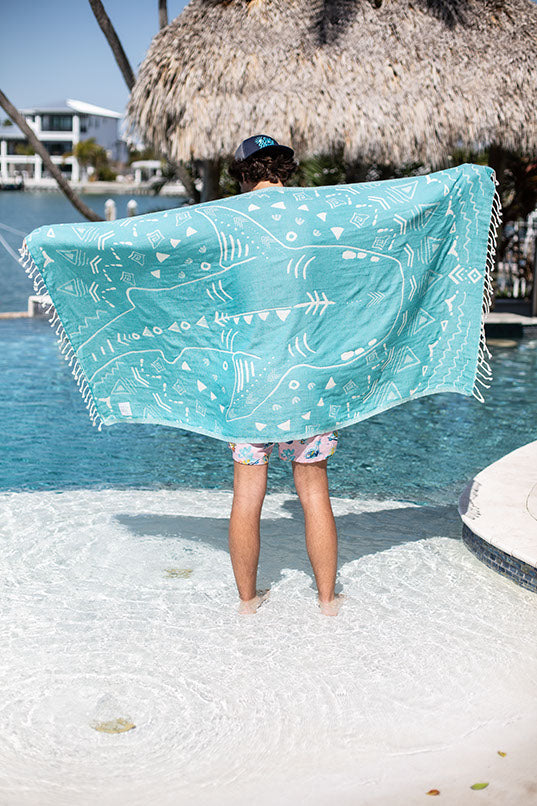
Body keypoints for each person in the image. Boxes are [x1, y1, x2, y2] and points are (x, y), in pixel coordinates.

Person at [227, 135, 344, 617]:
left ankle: (249, 603)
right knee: (313, 492)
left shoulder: (226, 220)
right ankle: (327, 600)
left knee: (246, 495)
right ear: (285, 171)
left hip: (251, 379)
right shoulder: (313, 215)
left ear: (243, 174)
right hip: (307, 375)